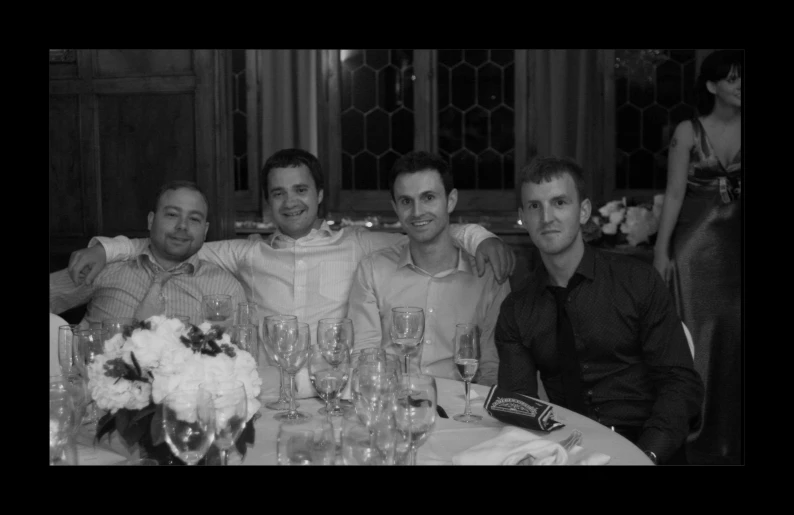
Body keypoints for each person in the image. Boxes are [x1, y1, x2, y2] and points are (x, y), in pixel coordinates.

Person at [67, 149, 515, 394]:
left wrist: (480, 237)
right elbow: (175, 240)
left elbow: (428, 232)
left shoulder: (358, 243)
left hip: (338, 391)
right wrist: (111, 249)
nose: (290, 201)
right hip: (265, 394)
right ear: (267, 203)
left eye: (300, 189)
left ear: (320, 194)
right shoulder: (246, 254)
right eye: (278, 193)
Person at [496, 156, 703, 465]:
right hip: (570, 449)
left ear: (584, 211)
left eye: (559, 202)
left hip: (648, 446)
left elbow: (680, 384)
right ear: (522, 217)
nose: (547, 217)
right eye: (535, 206)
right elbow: (520, 405)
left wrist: (644, 455)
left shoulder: (636, 281)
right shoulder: (517, 309)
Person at [348, 151, 510, 385]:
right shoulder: (373, 270)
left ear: (451, 200)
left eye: (428, 198)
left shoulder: (488, 274)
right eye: (406, 201)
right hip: (394, 405)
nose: (417, 212)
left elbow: (492, 368)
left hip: (461, 409)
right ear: (395, 207)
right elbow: (364, 358)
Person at [652, 50, 742, 465]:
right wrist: (662, 250)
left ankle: (732, 438)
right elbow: (673, 195)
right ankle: (694, 439)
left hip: (736, 248)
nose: (740, 85)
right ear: (712, 86)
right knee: (698, 342)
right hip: (694, 248)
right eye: (732, 78)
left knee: (734, 340)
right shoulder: (688, 131)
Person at [50, 180, 247, 327]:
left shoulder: (225, 288)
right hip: (101, 379)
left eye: (194, 219)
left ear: (205, 231)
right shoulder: (105, 268)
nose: (182, 226)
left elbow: (238, 355)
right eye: (172, 215)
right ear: (151, 221)